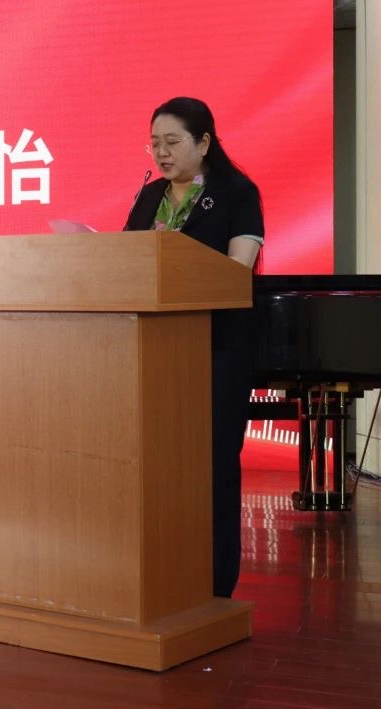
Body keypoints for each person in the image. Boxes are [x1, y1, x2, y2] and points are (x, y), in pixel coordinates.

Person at [123, 96, 263, 599]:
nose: (161, 153)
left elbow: (238, 270)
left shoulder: (236, 192)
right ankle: (161, 573)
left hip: (217, 348)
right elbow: (125, 262)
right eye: (154, 143)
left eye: (172, 142)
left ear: (203, 143)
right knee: (158, 463)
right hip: (155, 349)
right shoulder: (150, 196)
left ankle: (215, 583)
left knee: (213, 462)